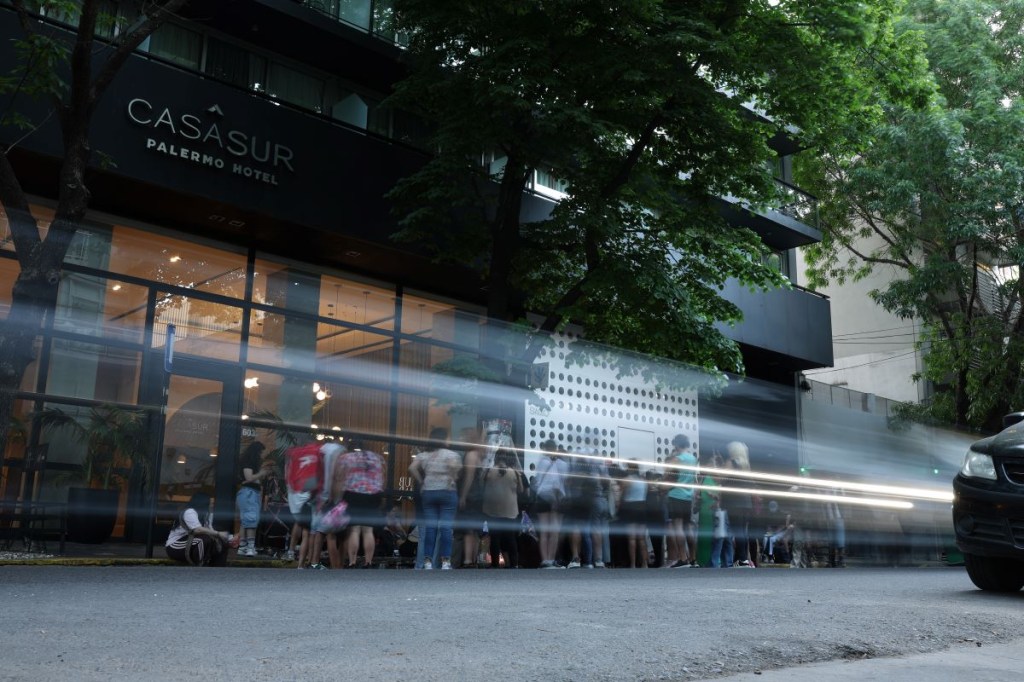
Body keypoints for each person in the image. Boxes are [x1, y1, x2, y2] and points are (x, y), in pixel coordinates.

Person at [408, 427, 461, 570]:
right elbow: (454, 468)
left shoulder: (424, 455)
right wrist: (452, 476)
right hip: (447, 492)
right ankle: (445, 561)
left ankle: (427, 562)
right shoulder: (451, 454)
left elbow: (412, 468)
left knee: (430, 528)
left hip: (429, 493)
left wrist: (421, 482)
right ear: (443, 439)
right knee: (446, 528)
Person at [337, 438, 386, 568]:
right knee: (368, 530)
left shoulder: (346, 458)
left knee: (354, 530)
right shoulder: (377, 458)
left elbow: (339, 478)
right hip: (373, 495)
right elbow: (382, 477)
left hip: (353, 494)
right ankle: (368, 561)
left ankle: (352, 562)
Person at [300, 440, 345, 570]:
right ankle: (330, 566)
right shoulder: (338, 450)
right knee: (328, 533)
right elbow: (333, 474)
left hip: (316, 492)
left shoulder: (320, 449)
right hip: (327, 493)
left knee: (315, 529)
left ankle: (311, 562)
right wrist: (332, 495)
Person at [481, 447, 523, 568]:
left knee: (495, 538)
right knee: (511, 538)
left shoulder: (488, 471)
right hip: (510, 511)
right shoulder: (515, 473)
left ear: (495, 458)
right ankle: (514, 564)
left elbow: (481, 485)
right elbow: (520, 490)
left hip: (492, 510)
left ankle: (495, 564)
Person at [165, 493, 231, 566]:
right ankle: (200, 564)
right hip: (175, 546)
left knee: (222, 541)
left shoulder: (207, 514)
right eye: (210, 503)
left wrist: (227, 538)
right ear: (203, 503)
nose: (212, 505)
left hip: (191, 542)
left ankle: (217, 566)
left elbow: (210, 531)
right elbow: (197, 530)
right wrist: (218, 533)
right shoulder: (189, 512)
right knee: (202, 540)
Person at [533, 440, 569, 568]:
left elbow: (537, 482)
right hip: (556, 498)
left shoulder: (541, 462)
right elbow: (561, 483)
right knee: (554, 532)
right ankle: (551, 559)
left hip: (542, 497)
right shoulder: (561, 464)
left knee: (544, 532)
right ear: (556, 449)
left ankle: (545, 561)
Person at [665, 434, 698, 568]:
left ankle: (682, 559)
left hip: (675, 494)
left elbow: (668, 476)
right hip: (688, 497)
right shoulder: (693, 459)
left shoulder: (676, 459)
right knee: (688, 527)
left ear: (677, 444)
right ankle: (693, 559)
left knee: (678, 527)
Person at [724, 441, 756, 568]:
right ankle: (743, 558)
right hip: (745, 502)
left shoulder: (731, 462)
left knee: (736, 531)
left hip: (733, 501)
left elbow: (721, 478)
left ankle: (741, 559)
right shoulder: (746, 465)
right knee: (742, 531)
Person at [457, 427, 486, 568]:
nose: (461, 440)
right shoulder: (479, 454)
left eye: (464, 437)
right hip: (479, 496)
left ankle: (468, 560)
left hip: (471, 495)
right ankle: (473, 559)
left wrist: (462, 495)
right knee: (474, 530)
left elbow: (468, 477)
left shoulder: (470, 455)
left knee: (468, 529)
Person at [235, 441, 270, 557]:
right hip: (249, 493)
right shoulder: (249, 462)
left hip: (249, 493)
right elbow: (249, 477)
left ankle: (242, 547)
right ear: (256, 452)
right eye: (260, 452)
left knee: (245, 521)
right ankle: (250, 547)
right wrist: (261, 473)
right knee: (251, 520)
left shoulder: (247, 461)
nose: (261, 455)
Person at [618, 460, 648, 568]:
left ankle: (633, 564)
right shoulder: (643, 480)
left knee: (632, 538)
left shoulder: (627, 480)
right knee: (641, 538)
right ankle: (645, 564)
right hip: (642, 507)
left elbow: (621, 496)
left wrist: (618, 507)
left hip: (631, 508)